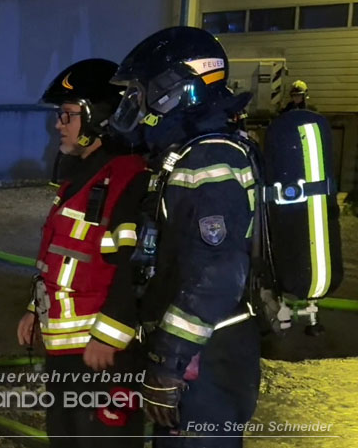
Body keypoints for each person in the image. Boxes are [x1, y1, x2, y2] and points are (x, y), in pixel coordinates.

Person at [109, 26, 260, 447]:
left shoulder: (208, 160)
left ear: (172, 91)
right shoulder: (194, 152)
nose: (132, 104)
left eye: (139, 92)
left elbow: (217, 274)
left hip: (206, 358)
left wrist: (168, 363)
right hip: (203, 352)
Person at [16, 59, 147, 447]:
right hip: (67, 352)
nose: (59, 124)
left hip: (102, 357)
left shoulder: (129, 179)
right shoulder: (81, 178)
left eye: (67, 114)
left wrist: (109, 337)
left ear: (99, 118)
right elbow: (61, 255)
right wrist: (33, 308)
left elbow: (135, 269)